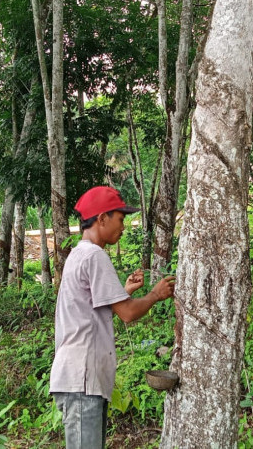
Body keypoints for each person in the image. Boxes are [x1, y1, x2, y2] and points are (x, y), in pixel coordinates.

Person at [49, 186, 175, 449]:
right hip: (82, 379)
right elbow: (127, 313)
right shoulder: (95, 255)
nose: (123, 226)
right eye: (120, 218)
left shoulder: (78, 254)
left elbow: (94, 309)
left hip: (79, 378)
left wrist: (125, 291)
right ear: (102, 218)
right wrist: (155, 294)